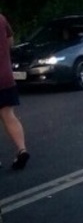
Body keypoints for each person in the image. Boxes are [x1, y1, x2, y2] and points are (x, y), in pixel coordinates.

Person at [0, 13, 29, 170]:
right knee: (9, 116)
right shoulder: (1, 19)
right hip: (5, 77)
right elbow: (10, 41)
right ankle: (22, 149)